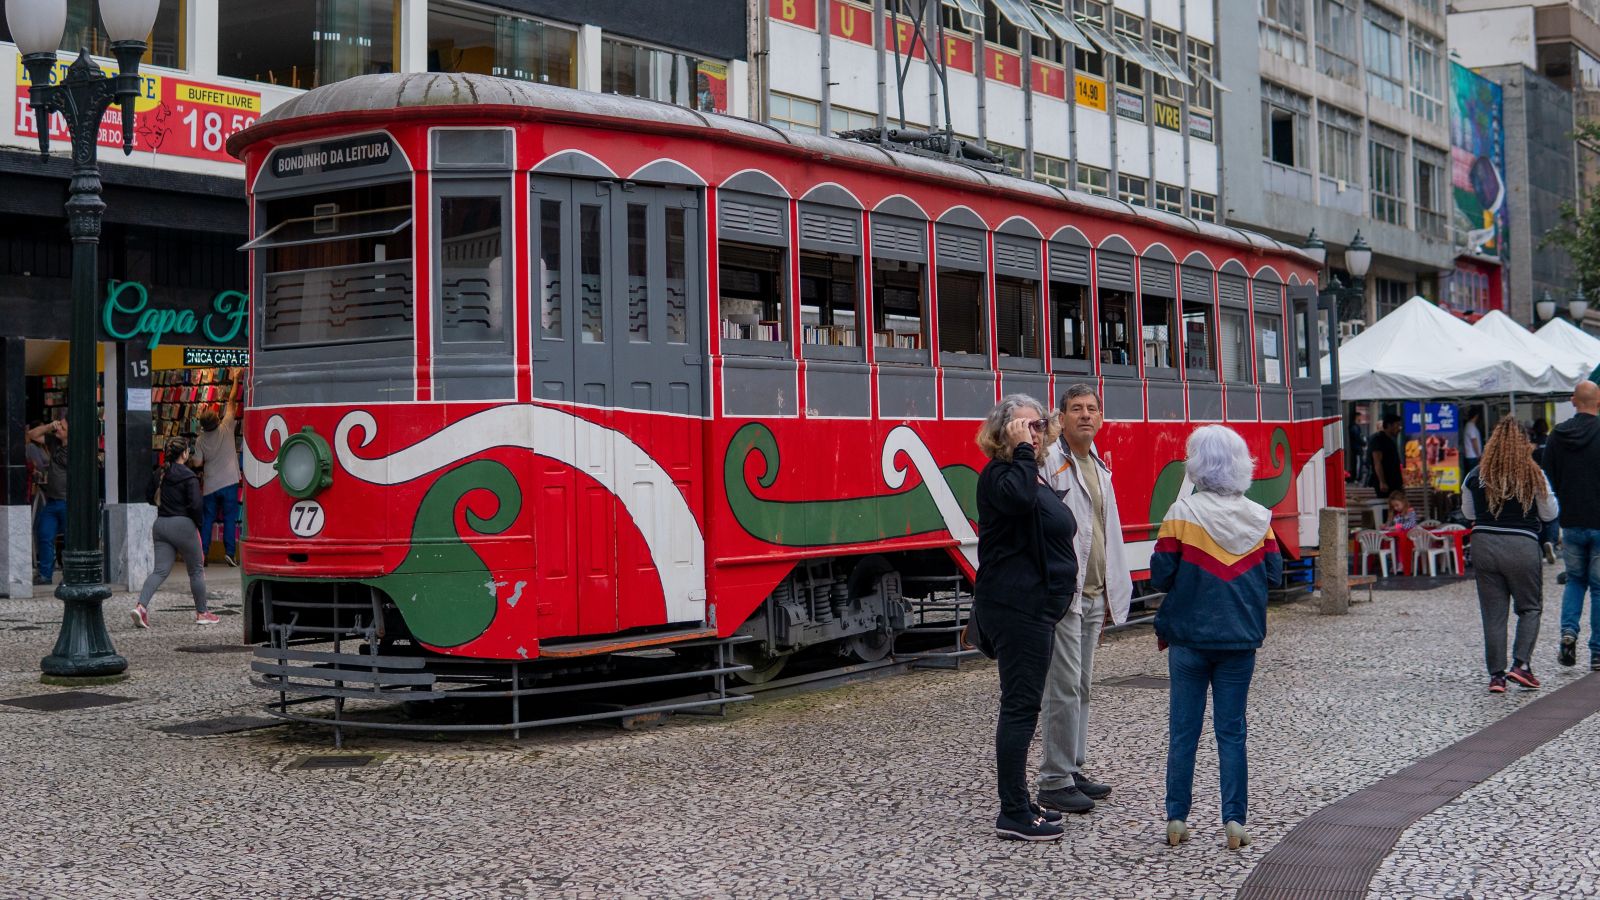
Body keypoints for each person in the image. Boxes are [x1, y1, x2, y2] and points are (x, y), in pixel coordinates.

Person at [1149, 426, 1281, 851]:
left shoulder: (1180, 514)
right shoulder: (1260, 518)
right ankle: (1234, 822)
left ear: (1196, 464)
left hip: (1188, 638)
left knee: (1183, 731)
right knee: (1232, 731)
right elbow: (1275, 576)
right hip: (1239, 640)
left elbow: (1160, 575)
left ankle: (1176, 818)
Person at [972, 394, 1079, 842]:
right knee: (1019, 708)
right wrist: (1018, 450)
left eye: (1037, 427)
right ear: (1004, 433)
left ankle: (1021, 802)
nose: (1033, 434)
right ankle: (1013, 813)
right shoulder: (1000, 474)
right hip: (1017, 609)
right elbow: (1015, 502)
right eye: (1023, 427)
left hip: (1035, 608)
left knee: (1024, 706)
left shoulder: (1027, 472)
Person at [1035, 384, 1133, 815]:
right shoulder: (1051, 462)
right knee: (1063, 687)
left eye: (1093, 409)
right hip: (1067, 596)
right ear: (1062, 416)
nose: (1086, 416)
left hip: (1093, 594)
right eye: (1076, 409)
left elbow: (1108, 535)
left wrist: (1114, 592)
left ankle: (1073, 767)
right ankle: (1054, 778)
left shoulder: (1099, 467)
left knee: (1083, 686)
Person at [1461, 419, 1558, 693]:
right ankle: (1521, 665)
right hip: (1522, 544)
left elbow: (1469, 514)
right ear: (1523, 443)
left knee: (1493, 614)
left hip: (1484, 544)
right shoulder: (1533, 474)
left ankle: (1497, 677)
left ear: (1491, 444)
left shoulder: (1475, 475)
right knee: (1529, 607)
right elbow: (1550, 513)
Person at [131, 437, 220, 627]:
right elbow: (196, 505)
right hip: (183, 525)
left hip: (161, 524)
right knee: (196, 570)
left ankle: (141, 607)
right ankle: (202, 613)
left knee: (160, 571)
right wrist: (197, 524)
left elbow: (148, 496)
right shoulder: (189, 476)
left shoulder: (159, 473)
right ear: (185, 453)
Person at [1544, 380, 1600, 671]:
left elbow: (1548, 477)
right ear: (1599, 402)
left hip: (1571, 521)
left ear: (1573, 401)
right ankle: (1598, 652)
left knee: (1575, 581)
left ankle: (1568, 634)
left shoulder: (1558, 435)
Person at [191, 376, 243, 567]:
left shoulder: (200, 440)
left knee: (208, 519)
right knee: (230, 518)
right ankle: (229, 552)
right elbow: (231, 402)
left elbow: (197, 463)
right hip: (229, 481)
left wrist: (189, 460)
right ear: (217, 419)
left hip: (211, 484)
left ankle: (203, 553)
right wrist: (236, 380)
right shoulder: (227, 426)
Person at [25, 419, 69, 586]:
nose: (58, 428)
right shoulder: (54, 442)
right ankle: (45, 575)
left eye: (62, 427)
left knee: (69, 542)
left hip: (68, 501)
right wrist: (50, 426)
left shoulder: (77, 449)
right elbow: (31, 434)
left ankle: (69, 575)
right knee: (44, 534)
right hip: (52, 501)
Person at [1367, 413, 1404, 499]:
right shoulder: (1377, 439)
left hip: (1395, 483)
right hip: (1386, 485)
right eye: (1397, 425)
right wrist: (1382, 482)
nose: (1399, 428)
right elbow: (1377, 462)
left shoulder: (1390, 440)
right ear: (1389, 425)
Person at [1462, 408, 1484, 478]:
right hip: (1473, 455)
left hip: (1471, 455)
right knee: (1474, 475)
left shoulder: (1469, 425)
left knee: (1471, 473)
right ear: (1476, 416)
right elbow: (1474, 441)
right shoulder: (1471, 426)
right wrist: (1478, 454)